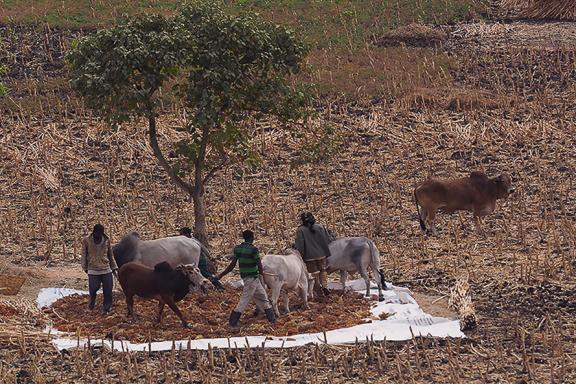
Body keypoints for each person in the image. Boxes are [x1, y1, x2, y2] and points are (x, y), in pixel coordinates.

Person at [217, 230, 276, 327]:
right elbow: (259, 264)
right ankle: (232, 323)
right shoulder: (254, 250)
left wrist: (221, 275)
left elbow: (232, 265)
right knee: (244, 301)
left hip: (250, 279)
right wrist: (262, 273)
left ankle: (272, 320)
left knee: (264, 298)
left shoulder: (238, 249)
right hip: (251, 279)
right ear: (252, 238)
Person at [294, 212, 333, 297]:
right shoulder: (320, 227)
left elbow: (300, 245)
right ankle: (325, 286)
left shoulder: (300, 230)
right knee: (323, 270)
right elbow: (328, 239)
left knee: (314, 273)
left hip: (309, 256)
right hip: (322, 254)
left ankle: (318, 291)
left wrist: (301, 256)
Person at [81, 224, 118, 313]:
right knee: (93, 288)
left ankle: (107, 307)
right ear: (93, 232)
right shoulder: (86, 240)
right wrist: (85, 267)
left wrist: (114, 267)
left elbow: (110, 255)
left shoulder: (106, 240)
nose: (98, 235)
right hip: (93, 269)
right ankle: (91, 305)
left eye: (100, 233)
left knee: (108, 289)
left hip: (106, 268)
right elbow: (84, 255)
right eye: (97, 233)